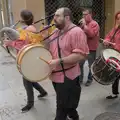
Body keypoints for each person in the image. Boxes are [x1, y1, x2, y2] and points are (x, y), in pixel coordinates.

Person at [42, 7, 89, 120]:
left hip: (68, 77)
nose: (54, 18)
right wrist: (44, 37)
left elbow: (81, 55)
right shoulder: (56, 31)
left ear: (67, 18)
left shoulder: (77, 32)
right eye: (54, 15)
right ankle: (74, 116)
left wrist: (59, 61)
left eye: (57, 15)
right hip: (56, 76)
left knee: (61, 109)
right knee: (67, 104)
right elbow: (49, 47)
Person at [4, 9, 48, 112]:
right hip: (30, 57)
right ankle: (42, 92)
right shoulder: (31, 28)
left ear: (23, 19)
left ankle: (30, 103)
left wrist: (9, 43)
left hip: (27, 57)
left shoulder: (26, 31)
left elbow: (22, 46)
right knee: (29, 78)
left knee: (27, 81)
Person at [78, 8, 100, 86]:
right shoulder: (82, 24)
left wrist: (84, 26)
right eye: (83, 14)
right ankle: (80, 79)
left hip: (91, 48)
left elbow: (91, 35)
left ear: (90, 15)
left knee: (91, 65)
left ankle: (90, 79)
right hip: (83, 48)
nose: (83, 16)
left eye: (85, 14)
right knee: (80, 64)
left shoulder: (95, 24)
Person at [104, 11, 120, 99]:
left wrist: (117, 46)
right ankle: (114, 93)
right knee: (115, 74)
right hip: (115, 55)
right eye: (117, 18)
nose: (119, 20)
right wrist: (106, 40)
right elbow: (109, 36)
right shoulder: (115, 29)